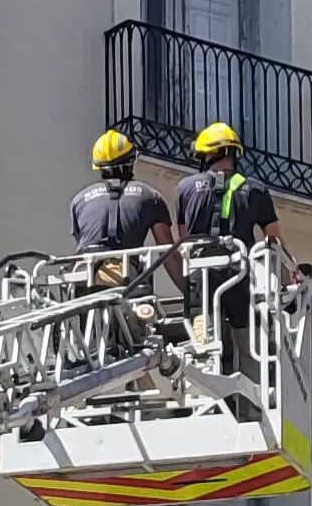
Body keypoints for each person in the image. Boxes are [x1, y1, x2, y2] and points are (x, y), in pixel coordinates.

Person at [171, 123, 287, 382]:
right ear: (233, 154)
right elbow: (273, 239)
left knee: (202, 344)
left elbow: (183, 236)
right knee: (247, 346)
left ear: (209, 155)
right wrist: (288, 278)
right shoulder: (256, 189)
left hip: (200, 279)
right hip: (239, 275)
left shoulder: (185, 188)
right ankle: (252, 400)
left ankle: (207, 395)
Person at [70, 129, 174, 362]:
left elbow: (83, 244)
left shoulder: (79, 200)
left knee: (89, 339)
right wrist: (189, 292)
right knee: (133, 341)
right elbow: (168, 251)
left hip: (83, 278)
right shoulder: (150, 196)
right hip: (127, 279)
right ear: (131, 162)